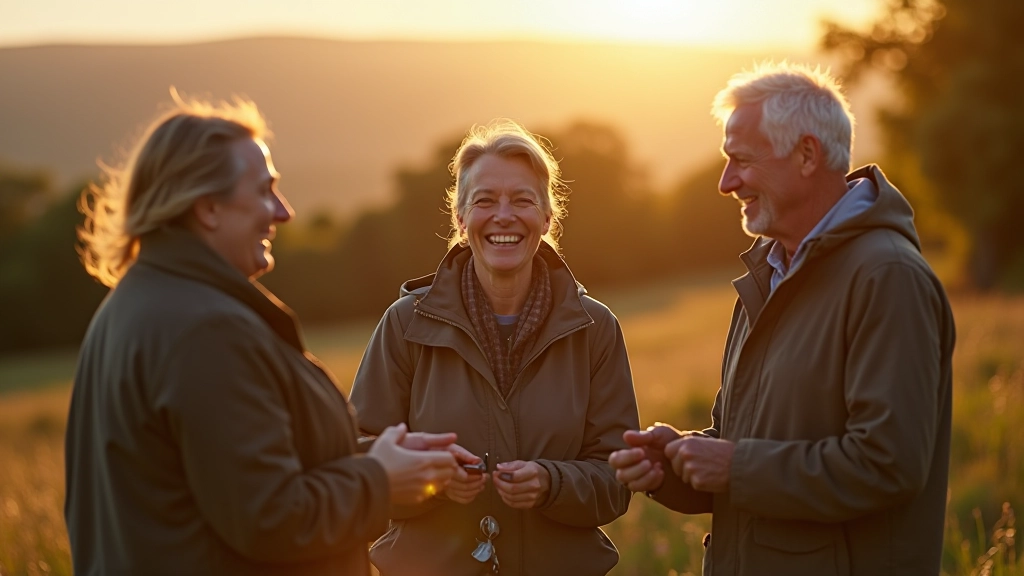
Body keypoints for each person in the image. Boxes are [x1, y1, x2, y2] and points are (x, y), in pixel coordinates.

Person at [64, 93, 459, 576]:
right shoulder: (206, 331)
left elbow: (229, 476)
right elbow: (269, 518)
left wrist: (376, 457)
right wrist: (380, 480)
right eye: (265, 191)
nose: (284, 212)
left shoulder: (129, 307)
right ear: (208, 208)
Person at [609, 61, 956, 575]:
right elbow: (743, 446)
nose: (726, 182)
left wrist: (735, 467)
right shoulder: (767, 275)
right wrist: (673, 465)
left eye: (741, 160)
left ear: (807, 155)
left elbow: (888, 464)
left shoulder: (887, 277)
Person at [349, 119, 640, 576]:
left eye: (522, 200)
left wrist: (551, 483)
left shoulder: (595, 328)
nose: (504, 215)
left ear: (547, 217)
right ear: (461, 219)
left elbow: (617, 478)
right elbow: (355, 460)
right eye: (484, 201)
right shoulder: (404, 324)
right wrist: (432, 480)